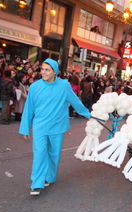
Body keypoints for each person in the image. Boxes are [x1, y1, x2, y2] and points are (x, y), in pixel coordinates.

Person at [19, 58, 91, 196]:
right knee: (39, 153)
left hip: (58, 126)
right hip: (40, 126)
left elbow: (75, 101)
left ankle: (49, 177)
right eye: (42, 69)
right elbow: (29, 108)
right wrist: (25, 127)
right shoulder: (35, 87)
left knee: (54, 154)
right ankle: (37, 183)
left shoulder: (64, 85)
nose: (43, 72)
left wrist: (88, 114)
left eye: (47, 70)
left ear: (55, 72)